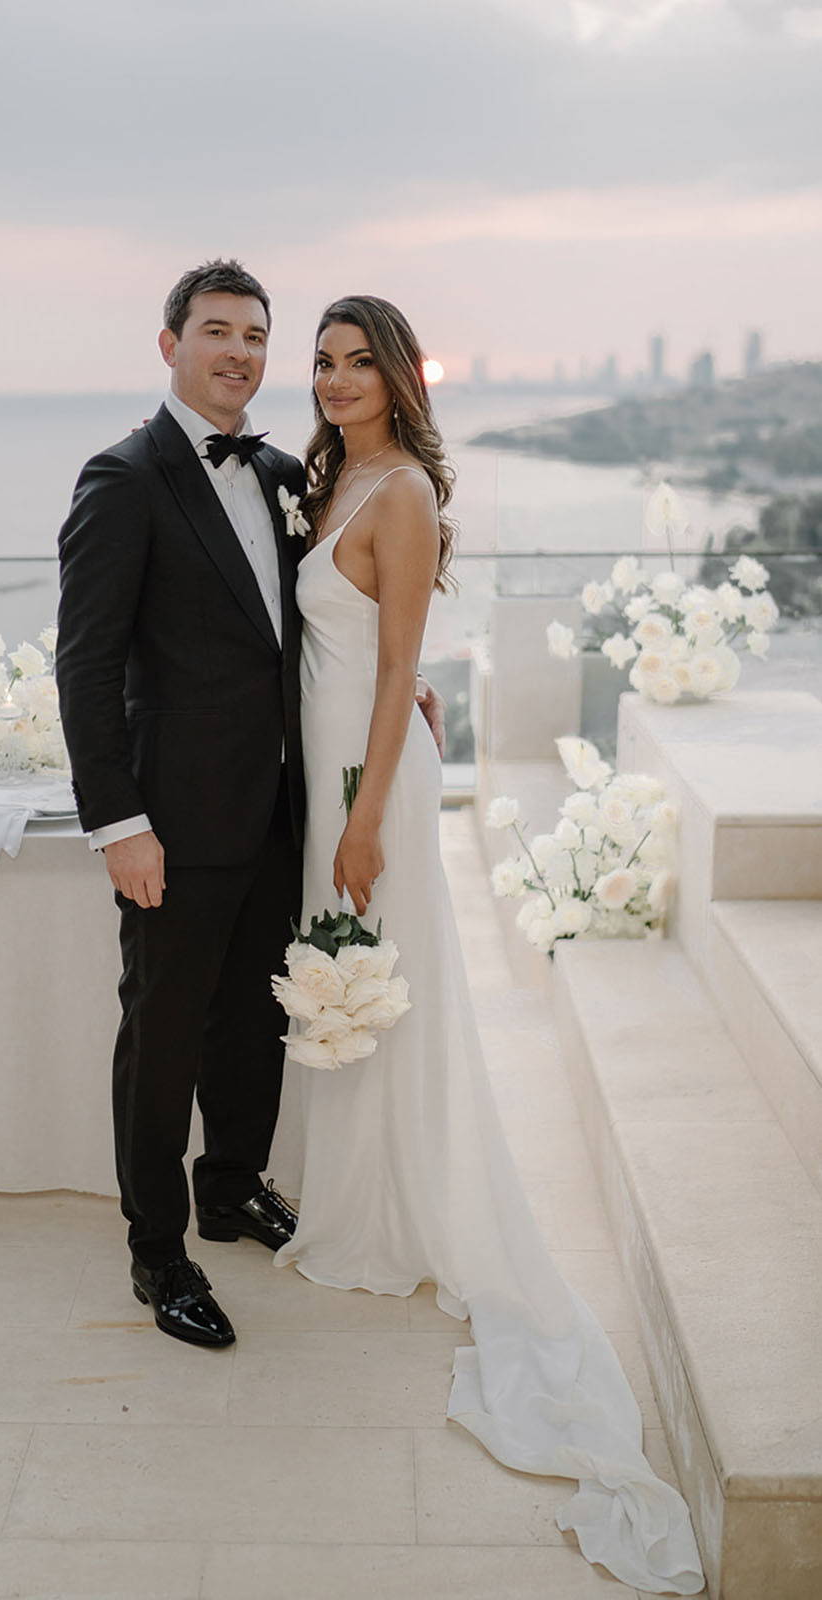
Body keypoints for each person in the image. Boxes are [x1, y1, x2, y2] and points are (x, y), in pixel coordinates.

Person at [273, 294, 705, 1596]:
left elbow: (407, 657)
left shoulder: (398, 493)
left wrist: (361, 818)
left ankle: (389, 1212)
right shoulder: (334, 471)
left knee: (378, 980)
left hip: (364, 782)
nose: (337, 381)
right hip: (332, 760)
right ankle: (361, 1194)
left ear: (402, 378)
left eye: (360, 363)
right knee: (357, 986)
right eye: (324, 362)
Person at [55, 259, 445, 1352]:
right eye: (216, 331)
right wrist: (119, 822)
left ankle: (229, 1189)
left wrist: (399, 681)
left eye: (254, 337)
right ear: (170, 342)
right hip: (173, 823)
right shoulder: (122, 478)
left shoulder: (287, 473)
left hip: (285, 810)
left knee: (253, 1025)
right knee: (163, 1032)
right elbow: (83, 669)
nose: (238, 353)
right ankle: (159, 1248)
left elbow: (331, 615)